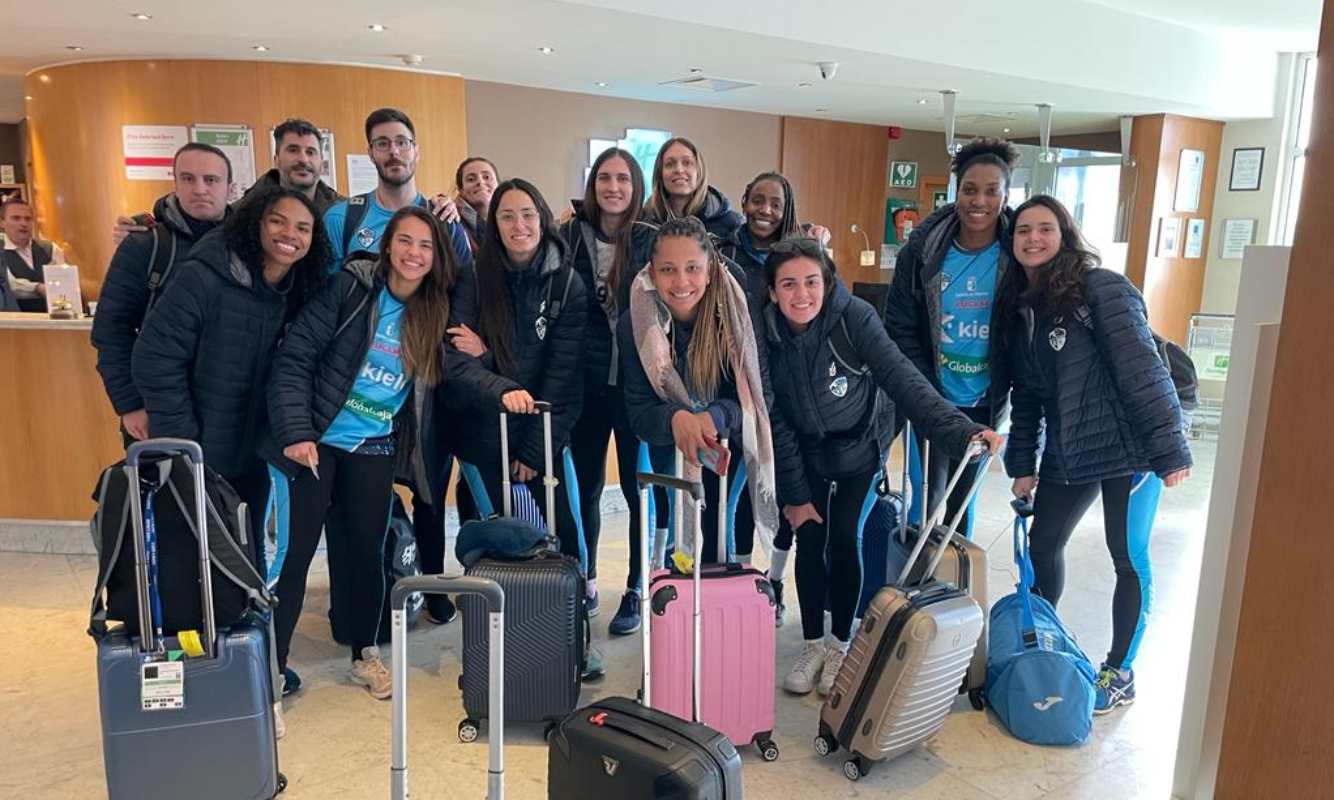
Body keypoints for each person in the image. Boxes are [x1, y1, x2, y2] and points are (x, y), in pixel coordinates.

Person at [761, 236, 1003, 695]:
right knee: (809, 535)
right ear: (772, 291)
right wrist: (794, 494)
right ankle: (812, 643)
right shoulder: (768, 332)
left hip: (860, 447)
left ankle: (840, 643)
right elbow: (773, 416)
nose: (801, 294)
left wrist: (959, 430)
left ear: (827, 283)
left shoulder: (854, 319)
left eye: (811, 281)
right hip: (803, 450)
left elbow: (903, 379)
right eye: (788, 284)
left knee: (845, 535)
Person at [998, 195, 1191, 715]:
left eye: (1044, 228)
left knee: (1126, 557)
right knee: (1042, 548)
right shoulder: (1024, 311)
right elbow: (1029, 397)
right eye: (1022, 231)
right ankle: (1044, 647)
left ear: (1065, 233)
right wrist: (1022, 465)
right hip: (1071, 450)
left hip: (1132, 453)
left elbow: (1143, 369)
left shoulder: (1101, 289)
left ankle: (1120, 672)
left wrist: (1169, 448)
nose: (1033, 239)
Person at [262, 206, 455, 712]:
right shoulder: (351, 289)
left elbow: (450, 378)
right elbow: (295, 355)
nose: (414, 253)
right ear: (388, 245)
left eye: (426, 246)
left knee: (365, 555)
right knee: (296, 555)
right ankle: (270, 670)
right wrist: (297, 433)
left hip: (373, 447)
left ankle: (363, 650)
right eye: (406, 242)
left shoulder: (434, 311)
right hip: (317, 443)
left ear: (436, 258)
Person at [130, 185, 329, 562]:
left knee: (244, 549)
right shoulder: (206, 276)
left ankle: (242, 615)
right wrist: (183, 440)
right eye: (278, 221)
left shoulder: (295, 292)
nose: (290, 234)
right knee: (192, 557)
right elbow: (154, 357)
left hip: (249, 453)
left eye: (303, 229)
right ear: (255, 224)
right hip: (197, 449)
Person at [619, 216, 779, 576]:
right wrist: (677, 418)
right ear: (652, 273)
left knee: (721, 521)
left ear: (709, 271)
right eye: (668, 270)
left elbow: (758, 395)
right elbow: (640, 413)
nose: (681, 282)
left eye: (692, 268)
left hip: (730, 436)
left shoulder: (737, 312)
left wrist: (714, 416)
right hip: (669, 436)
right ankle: (681, 608)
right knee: (679, 523)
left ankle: (727, 602)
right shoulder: (634, 323)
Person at [449, 178, 589, 570]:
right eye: (507, 217)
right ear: (494, 225)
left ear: (543, 219)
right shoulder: (474, 277)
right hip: (482, 432)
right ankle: (499, 612)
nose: (518, 226)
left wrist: (532, 450)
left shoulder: (565, 282)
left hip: (544, 431)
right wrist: (502, 381)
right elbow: (455, 362)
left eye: (527, 215)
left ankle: (571, 598)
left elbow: (562, 375)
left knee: (560, 528)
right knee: (498, 535)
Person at [884, 137, 1020, 539]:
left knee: (962, 502)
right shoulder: (922, 251)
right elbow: (900, 329)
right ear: (955, 191)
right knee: (927, 496)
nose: (979, 201)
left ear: (1006, 194)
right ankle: (913, 590)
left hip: (986, 402)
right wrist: (925, 393)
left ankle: (955, 588)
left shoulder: (1017, 253)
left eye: (992, 191)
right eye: (970, 189)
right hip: (930, 398)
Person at [561, 147, 659, 634]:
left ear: (635, 185)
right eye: (605, 178)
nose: (613, 187)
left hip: (637, 386)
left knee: (639, 490)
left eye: (623, 178)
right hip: (585, 384)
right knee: (587, 489)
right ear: (593, 184)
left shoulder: (650, 240)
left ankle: (637, 587)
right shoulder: (567, 235)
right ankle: (587, 577)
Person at [92, 143, 234, 443]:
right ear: (175, 184)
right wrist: (130, 404)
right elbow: (110, 329)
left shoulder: (244, 246)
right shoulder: (145, 245)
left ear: (229, 188)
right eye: (188, 178)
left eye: (211, 180)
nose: (199, 189)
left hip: (228, 413)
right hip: (158, 409)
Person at [322, 107, 472, 272]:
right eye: (382, 144)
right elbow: (329, 293)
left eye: (402, 142)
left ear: (416, 152)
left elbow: (465, 288)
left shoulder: (444, 219)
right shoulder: (340, 219)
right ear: (371, 154)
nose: (394, 151)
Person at [642, 137, 743, 242]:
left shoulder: (733, 225)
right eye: (669, 164)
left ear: (699, 171)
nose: (679, 170)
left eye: (687, 162)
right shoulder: (644, 224)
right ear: (660, 174)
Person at [240, 118, 343, 213]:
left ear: (321, 163)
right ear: (277, 160)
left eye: (310, 152)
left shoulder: (346, 216)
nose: (303, 160)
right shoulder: (243, 212)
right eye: (293, 150)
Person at [1, 198, 65, 312]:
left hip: (52, 318)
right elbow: (8, 285)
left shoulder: (49, 249)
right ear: (2, 222)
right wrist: (37, 288)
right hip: (15, 321)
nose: (23, 223)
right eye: (16, 218)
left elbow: (62, 281)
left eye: (28, 219)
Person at [455, 156, 499, 254]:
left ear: (498, 185)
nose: (480, 182)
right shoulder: (452, 221)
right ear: (460, 190)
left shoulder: (510, 220)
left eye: (486, 177)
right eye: (471, 179)